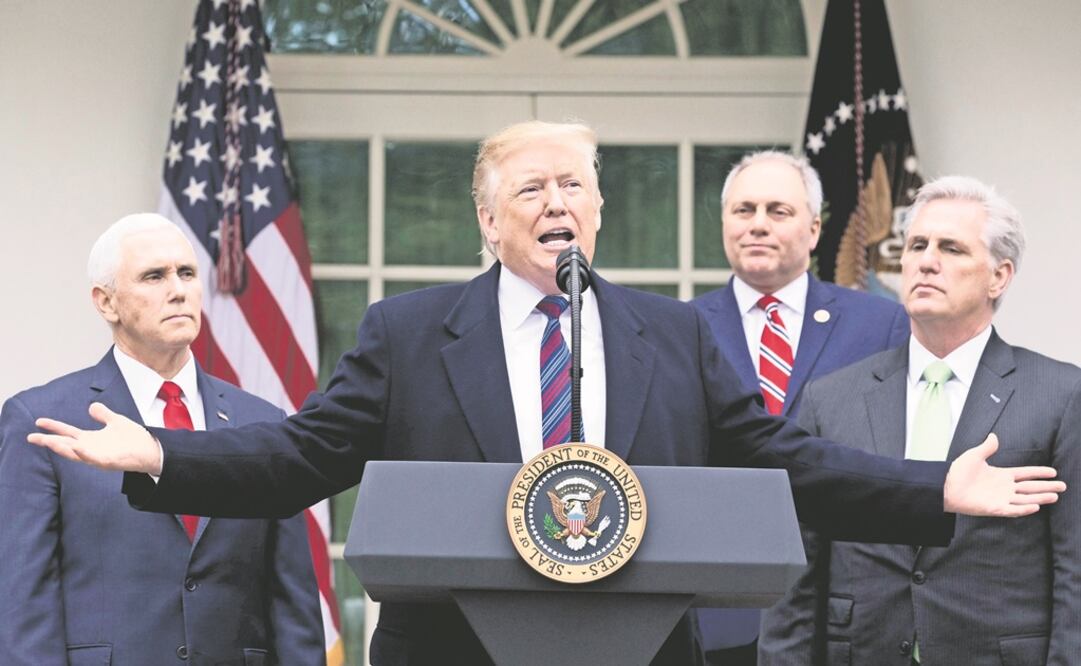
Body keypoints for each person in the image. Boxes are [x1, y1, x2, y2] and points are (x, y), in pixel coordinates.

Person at [27, 123, 1064, 666]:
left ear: (601, 210)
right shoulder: (409, 332)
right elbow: (302, 457)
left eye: (574, 185)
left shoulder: (674, 334)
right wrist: (166, 456)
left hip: (643, 647)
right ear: (488, 221)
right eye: (531, 188)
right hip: (451, 651)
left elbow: (784, 464)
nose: (556, 202)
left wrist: (934, 490)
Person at [760, 176, 1081, 665]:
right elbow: (795, 574)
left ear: (999, 276)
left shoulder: (1059, 394)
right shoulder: (831, 398)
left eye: (951, 248)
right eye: (917, 245)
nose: (927, 260)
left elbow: (1074, 570)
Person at [0, 214, 325, 665]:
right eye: (154, 276)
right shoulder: (42, 419)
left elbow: (294, 606)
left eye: (187, 274)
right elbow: (23, 603)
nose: (178, 290)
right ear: (106, 302)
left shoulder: (262, 422)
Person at [692, 151, 909, 664]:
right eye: (743, 210)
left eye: (778, 211)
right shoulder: (680, 328)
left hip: (845, 602)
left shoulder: (882, 324)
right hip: (723, 603)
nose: (758, 225)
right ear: (725, 223)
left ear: (813, 231)